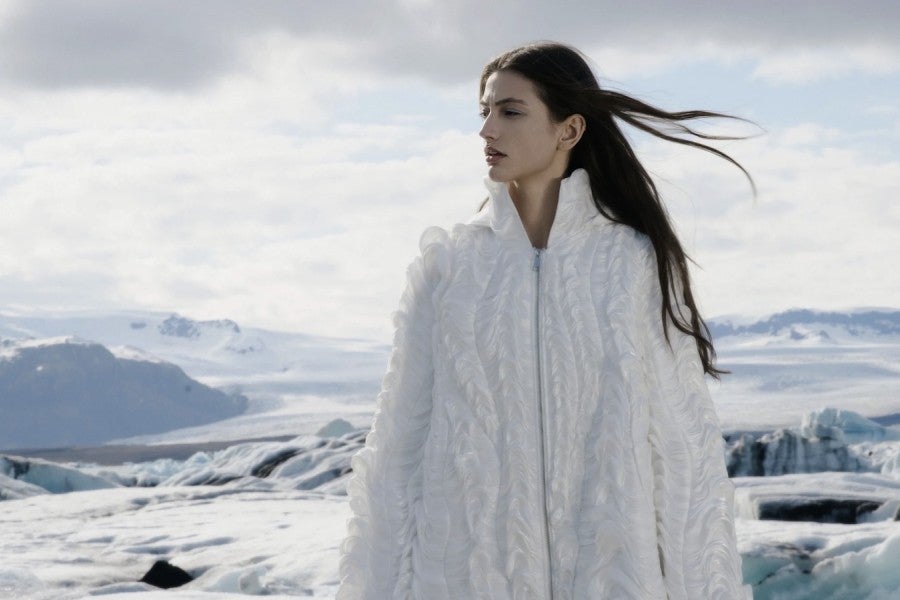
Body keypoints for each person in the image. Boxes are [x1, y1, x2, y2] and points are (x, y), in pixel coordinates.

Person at [337, 41, 752, 600]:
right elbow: (395, 454)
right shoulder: (450, 268)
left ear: (570, 129)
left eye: (510, 112)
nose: (487, 130)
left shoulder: (632, 265)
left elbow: (685, 458)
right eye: (483, 112)